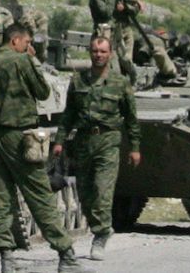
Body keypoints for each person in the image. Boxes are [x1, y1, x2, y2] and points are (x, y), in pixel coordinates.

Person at [0, 24, 82, 273]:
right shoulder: (23, 61)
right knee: (40, 195)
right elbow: (44, 92)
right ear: (15, 41)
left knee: (1, 199)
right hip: (22, 137)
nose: (28, 46)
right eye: (27, 42)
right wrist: (32, 62)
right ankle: (66, 254)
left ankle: (7, 258)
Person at [56, 36, 140, 259]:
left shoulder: (120, 83)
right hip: (83, 142)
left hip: (108, 141)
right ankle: (101, 226)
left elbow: (131, 118)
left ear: (110, 53)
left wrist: (134, 147)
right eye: (94, 51)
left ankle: (101, 234)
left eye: (103, 51)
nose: (98, 55)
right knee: (85, 194)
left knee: (103, 191)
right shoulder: (79, 81)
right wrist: (59, 141)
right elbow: (68, 115)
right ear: (90, 53)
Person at [112, 0, 177, 79]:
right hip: (114, 24)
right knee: (114, 53)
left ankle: (129, 76)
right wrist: (134, 1)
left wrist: (126, 5)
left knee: (127, 56)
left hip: (127, 26)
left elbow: (135, 11)